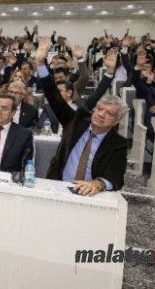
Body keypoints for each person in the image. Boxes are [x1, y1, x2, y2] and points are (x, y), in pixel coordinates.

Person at [36, 36, 128, 194]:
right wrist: (40, 64)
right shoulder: (76, 120)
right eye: (99, 109)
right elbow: (54, 96)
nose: (101, 115)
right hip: (58, 186)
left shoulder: (118, 143)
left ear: (116, 121)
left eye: (109, 113)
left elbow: (116, 177)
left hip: (90, 194)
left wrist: (98, 183)